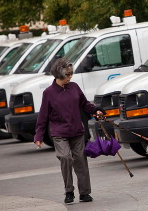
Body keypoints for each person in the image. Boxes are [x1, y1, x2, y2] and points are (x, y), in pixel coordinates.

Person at [34, 58, 104, 204]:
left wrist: (96, 111)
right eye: (68, 74)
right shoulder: (49, 93)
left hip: (77, 131)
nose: (71, 76)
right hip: (59, 133)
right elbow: (43, 116)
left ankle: (84, 193)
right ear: (59, 74)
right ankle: (69, 191)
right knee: (65, 157)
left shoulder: (74, 87)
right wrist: (38, 135)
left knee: (80, 162)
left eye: (71, 73)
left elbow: (85, 104)